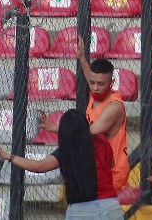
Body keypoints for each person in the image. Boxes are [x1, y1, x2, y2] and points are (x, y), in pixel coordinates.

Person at [0, 109, 125, 219]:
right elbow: (111, 163)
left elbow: (39, 167)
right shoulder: (102, 141)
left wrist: (9, 156)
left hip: (81, 212)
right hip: (110, 207)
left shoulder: (66, 151)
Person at [41, 40, 130, 192]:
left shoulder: (113, 108)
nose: (95, 88)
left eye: (100, 84)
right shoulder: (97, 92)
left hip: (111, 173)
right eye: (92, 83)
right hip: (96, 167)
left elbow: (86, 135)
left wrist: (57, 129)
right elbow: (92, 77)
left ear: (111, 83)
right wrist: (82, 59)